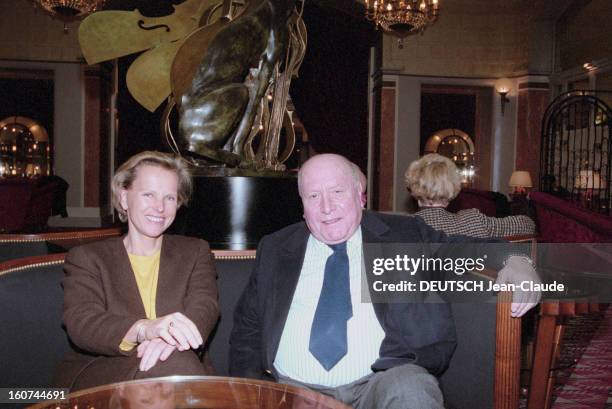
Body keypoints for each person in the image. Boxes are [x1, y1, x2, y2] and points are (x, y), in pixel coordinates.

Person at [229, 153, 539, 409]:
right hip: (292, 393)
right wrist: (251, 392)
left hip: (377, 386)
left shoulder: (405, 236)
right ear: (302, 204)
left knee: (413, 390)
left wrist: (517, 260)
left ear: (360, 196)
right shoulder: (276, 248)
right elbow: (247, 328)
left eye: (337, 192)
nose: (326, 207)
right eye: (314, 196)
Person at [55, 151, 218, 391]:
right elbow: (82, 322)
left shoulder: (195, 251)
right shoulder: (88, 258)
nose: (160, 207)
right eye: (148, 195)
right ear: (123, 198)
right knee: (177, 367)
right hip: (106, 373)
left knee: (176, 363)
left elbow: (205, 306)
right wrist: (144, 329)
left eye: (170, 198)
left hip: (179, 364)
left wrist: (172, 340)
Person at [405, 153, 536, 238]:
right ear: (454, 187)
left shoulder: (404, 228)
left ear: (412, 187)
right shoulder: (473, 220)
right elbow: (527, 224)